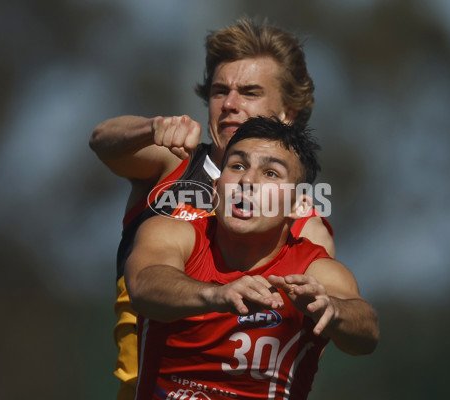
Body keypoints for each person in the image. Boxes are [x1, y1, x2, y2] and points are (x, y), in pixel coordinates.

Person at [89, 18, 342, 399]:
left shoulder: (303, 217)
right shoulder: (173, 160)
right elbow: (102, 142)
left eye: (250, 92)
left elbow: (310, 334)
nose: (230, 105)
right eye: (220, 91)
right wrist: (151, 128)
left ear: (288, 112)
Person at [125, 117, 379, 400]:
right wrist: (216, 295)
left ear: (298, 205)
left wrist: (333, 310)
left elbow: (367, 331)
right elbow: (143, 285)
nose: (248, 181)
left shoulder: (312, 270)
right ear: (217, 185)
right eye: (237, 166)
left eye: (271, 173)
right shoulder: (171, 232)